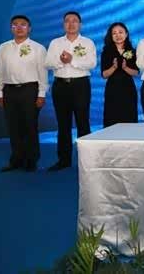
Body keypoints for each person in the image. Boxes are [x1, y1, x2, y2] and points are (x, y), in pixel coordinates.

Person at [0, 15, 48, 172]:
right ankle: (16, 160)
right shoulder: (4, 47)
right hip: (9, 90)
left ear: (29, 28)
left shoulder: (38, 48)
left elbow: (43, 72)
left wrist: (42, 94)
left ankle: (31, 160)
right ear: (11, 28)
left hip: (30, 90)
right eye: (15, 25)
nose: (19, 27)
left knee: (30, 125)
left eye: (23, 24)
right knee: (13, 126)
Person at [45, 11, 97, 171]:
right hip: (60, 86)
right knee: (63, 124)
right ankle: (64, 160)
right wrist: (61, 61)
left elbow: (92, 63)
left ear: (80, 24)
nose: (71, 24)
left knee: (83, 123)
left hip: (81, 85)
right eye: (67, 21)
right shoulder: (55, 43)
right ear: (63, 24)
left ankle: (86, 161)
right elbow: (48, 63)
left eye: (75, 21)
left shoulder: (87, 42)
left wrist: (72, 60)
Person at [101, 22, 139, 127]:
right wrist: (113, 67)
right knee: (112, 119)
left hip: (128, 89)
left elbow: (136, 72)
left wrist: (125, 68)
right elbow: (104, 74)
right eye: (114, 33)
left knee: (129, 119)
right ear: (111, 36)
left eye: (120, 32)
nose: (118, 35)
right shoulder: (106, 52)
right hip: (112, 89)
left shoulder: (132, 51)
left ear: (126, 34)